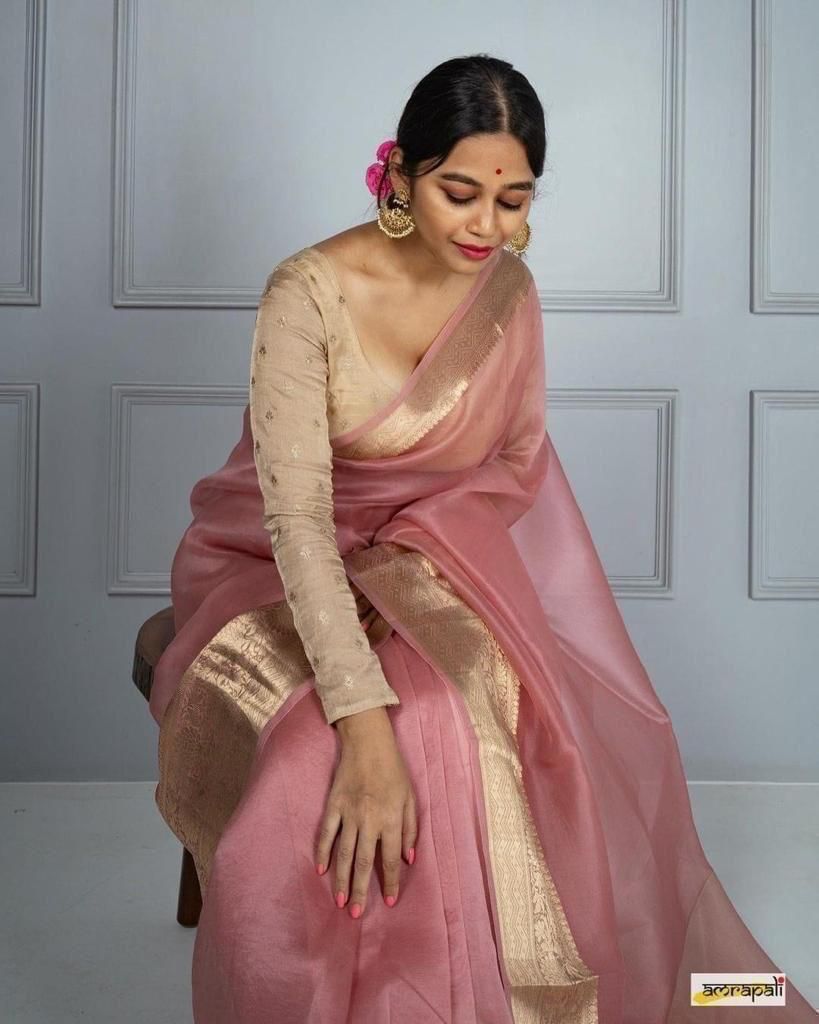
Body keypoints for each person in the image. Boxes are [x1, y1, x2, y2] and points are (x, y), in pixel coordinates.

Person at [148, 55, 815, 1023]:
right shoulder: (308, 291)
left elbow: (511, 462)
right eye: (459, 192)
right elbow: (296, 521)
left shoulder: (507, 295)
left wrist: (412, 565)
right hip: (272, 570)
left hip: (428, 566)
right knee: (322, 761)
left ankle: (596, 990)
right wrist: (361, 724)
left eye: (514, 198)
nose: (487, 227)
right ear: (399, 173)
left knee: (487, 726)